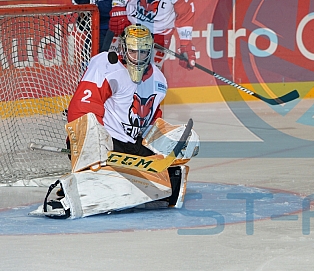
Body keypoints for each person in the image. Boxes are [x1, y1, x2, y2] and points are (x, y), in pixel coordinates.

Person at [30, 25, 199, 219]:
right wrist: (88, 141)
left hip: (132, 146)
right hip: (105, 141)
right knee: (95, 143)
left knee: (184, 144)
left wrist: (168, 143)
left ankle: (138, 183)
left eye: (143, 52)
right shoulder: (107, 66)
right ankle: (87, 184)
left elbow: (152, 121)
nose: (138, 57)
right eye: (133, 51)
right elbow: (82, 106)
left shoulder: (159, 81)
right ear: (123, 49)